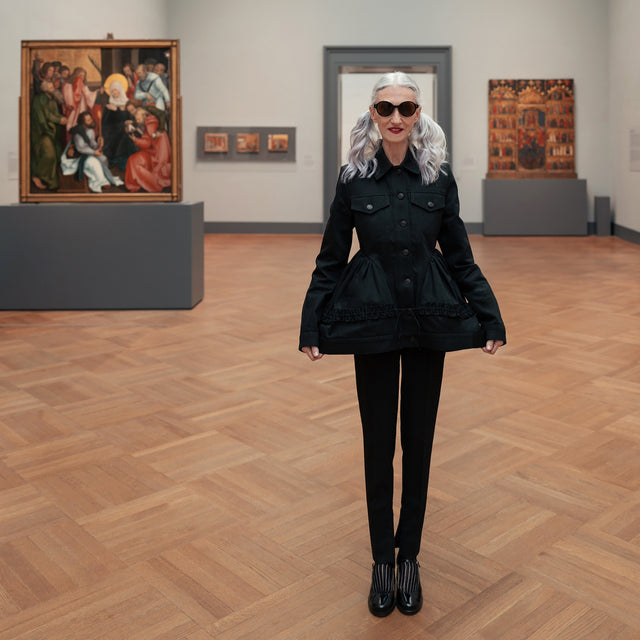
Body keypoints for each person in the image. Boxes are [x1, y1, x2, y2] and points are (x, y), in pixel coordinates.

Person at [299, 72, 506, 618]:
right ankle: (380, 561)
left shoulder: (438, 178)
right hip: (370, 320)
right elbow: (330, 257)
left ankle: (408, 556)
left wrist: (489, 316)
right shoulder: (353, 179)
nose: (395, 117)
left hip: (427, 323)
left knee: (418, 443)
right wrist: (310, 325)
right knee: (376, 445)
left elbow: (459, 255)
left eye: (406, 108)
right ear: (371, 113)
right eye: (385, 108)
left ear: (419, 115)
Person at [60, 110, 124, 193]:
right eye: (88, 120)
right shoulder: (78, 133)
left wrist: (99, 145)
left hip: (88, 153)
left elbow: (92, 144)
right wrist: (94, 152)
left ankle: (105, 176)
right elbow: (80, 148)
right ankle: (101, 182)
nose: (91, 121)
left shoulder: (90, 131)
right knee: (94, 162)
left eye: (90, 119)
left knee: (103, 158)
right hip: (77, 157)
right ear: (83, 122)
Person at [30, 79, 67, 190]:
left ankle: (51, 183)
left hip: (51, 130)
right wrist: (58, 120)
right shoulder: (39, 99)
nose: (53, 89)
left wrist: (60, 118)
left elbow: (53, 113)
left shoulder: (51, 99)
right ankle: (37, 176)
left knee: (56, 155)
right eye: (51, 88)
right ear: (45, 89)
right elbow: (45, 116)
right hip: (43, 131)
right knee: (49, 155)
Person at [124, 108, 171, 193]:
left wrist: (135, 139)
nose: (137, 121)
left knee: (133, 161)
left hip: (156, 156)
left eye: (138, 119)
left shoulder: (150, 124)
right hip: (153, 153)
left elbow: (147, 143)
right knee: (133, 160)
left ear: (144, 116)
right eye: (136, 119)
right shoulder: (151, 120)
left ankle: (153, 185)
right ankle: (136, 184)